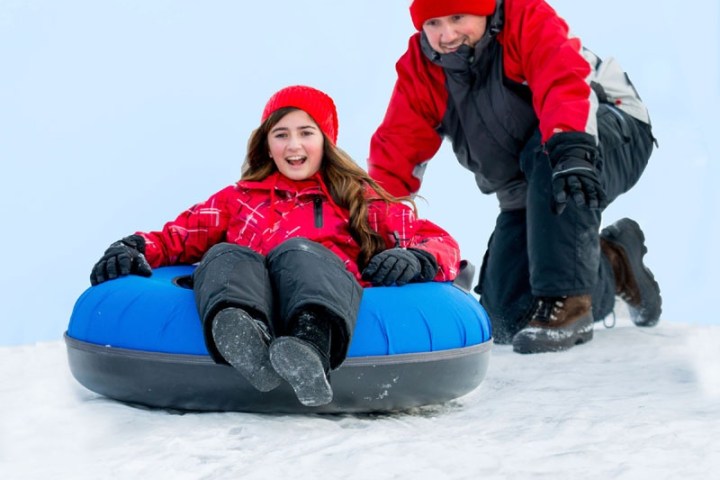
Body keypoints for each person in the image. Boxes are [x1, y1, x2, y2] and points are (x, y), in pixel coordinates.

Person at [89, 85, 461, 406]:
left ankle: (309, 348)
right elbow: (177, 237)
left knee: (298, 252)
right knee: (224, 255)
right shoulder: (238, 199)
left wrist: (417, 258)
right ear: (266, 145)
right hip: (255, 297)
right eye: (281, 134)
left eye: (306, 132)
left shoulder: (354, 198)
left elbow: (438, 241)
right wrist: (133, 246)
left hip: (319, 291)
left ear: (325, 141)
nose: (293, 145)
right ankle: (243, 335)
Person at [368, 0, 662, 354]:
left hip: (597, 132)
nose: (446, 35)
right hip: (527, 178)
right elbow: (397, 149)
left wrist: (571, 149)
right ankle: (614, 264)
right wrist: (374, 226)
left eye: (457, 17)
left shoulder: (525, 18)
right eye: (433, 23)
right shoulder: (423, 67)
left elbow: (562, 81)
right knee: (507, 317)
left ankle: (568, 303)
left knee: (547, 153)